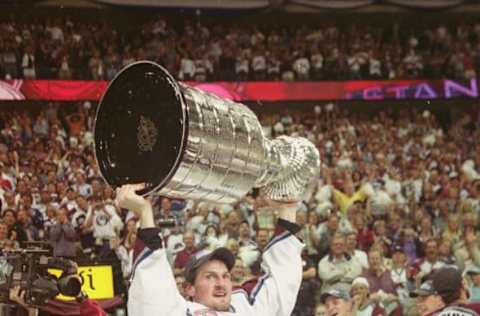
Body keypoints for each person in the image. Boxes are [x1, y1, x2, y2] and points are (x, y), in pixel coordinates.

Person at [116, 184, 304, 315]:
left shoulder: (247, 308)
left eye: (225, 276)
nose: (221, 283)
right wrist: (145, 212)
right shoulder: (182, 311)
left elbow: (282, 282)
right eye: (210, 277)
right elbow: (153, 291)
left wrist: (287, 210)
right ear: (189, 288)